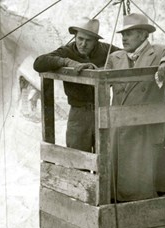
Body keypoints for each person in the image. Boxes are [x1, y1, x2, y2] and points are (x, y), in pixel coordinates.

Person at [105, 13, 165, 202]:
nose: (124, 38)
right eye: (122, 34)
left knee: (143, 183)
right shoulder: (115, 57)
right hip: (120, 128)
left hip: (145, 128)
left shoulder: (158, 52)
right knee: (119, 181)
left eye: (130, 33)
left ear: (143, 35)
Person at [33, 18, 119, 152]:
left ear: (96, 41)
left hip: (103, 111)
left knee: (106, 158)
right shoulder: (67, 51)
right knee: (77, 159)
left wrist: (105, 68)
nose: (83, 44)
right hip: (78, 114)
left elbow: (129, 56)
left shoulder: (106, 50)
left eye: (88, 40)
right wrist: (67, 62)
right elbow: (38, 63)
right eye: (80, 38)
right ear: (75, 37)